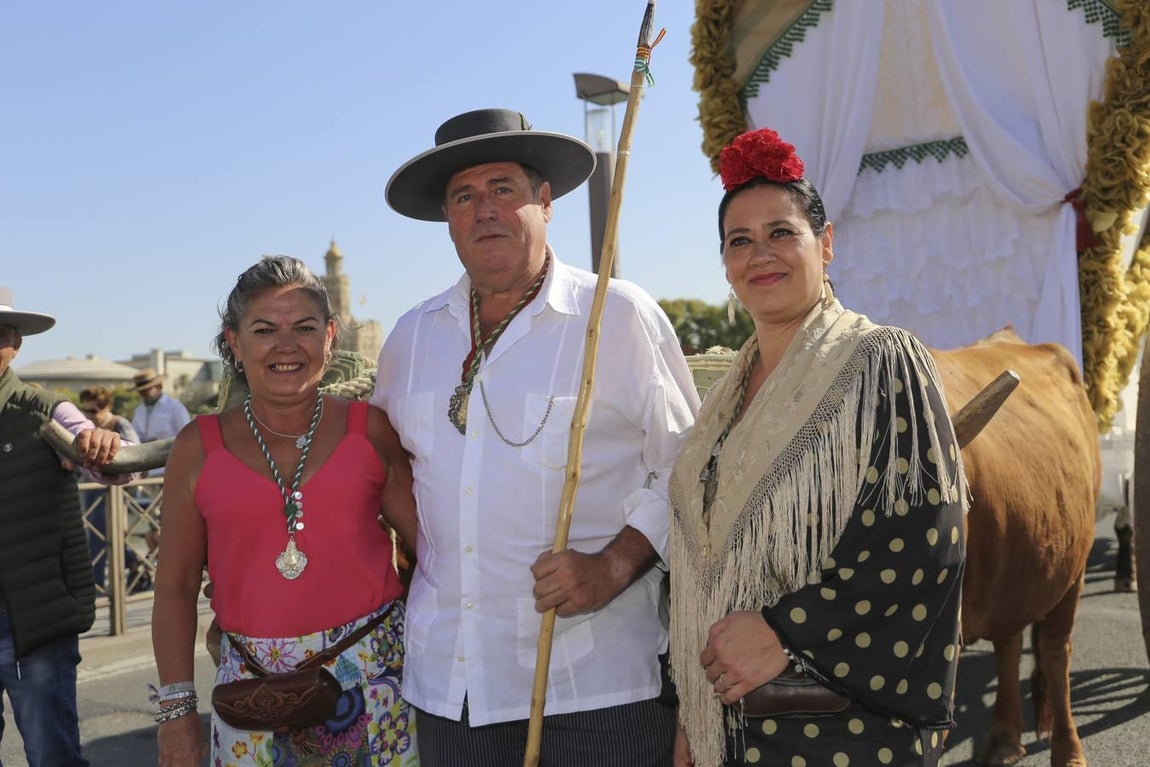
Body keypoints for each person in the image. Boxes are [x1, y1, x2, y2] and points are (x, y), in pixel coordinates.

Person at [372, 107, 700, 766]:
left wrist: (614, 564)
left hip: (593, 687)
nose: (483, 209)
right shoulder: (412, 335)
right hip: (452, 687)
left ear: (544, 201)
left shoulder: (617, 315)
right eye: (463, 196)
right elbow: (386, 466)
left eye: (503, 189)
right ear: (447, 217)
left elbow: (687, 469)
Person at [667, 128, 968, 767]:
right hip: (728, 730)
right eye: (738, 241)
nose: (760, 255)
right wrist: (693, 714)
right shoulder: (723, 397)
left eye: (782, 232)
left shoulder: (881, 361)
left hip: (835, 731)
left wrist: (784, 632)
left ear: (825, 244)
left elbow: (925, 543)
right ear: (724, 263)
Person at [151, 256, 419, 766]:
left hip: (378, 689)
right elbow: (174, 587)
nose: (286, 345)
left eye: (304, 328)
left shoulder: (373, 429)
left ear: (330, 336)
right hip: (249, 699)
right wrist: (177, 713)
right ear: (234, 341)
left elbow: (432, 551)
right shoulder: (197, 447)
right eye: (264, 329)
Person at [0, 287, 134, 767]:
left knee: (51, 753)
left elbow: (120, 469)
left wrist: (100, 443)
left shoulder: (45, 409)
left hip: (34, 620)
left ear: (14, 343)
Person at [78, 386, 147, 592]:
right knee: (97, 533)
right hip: (90, 486)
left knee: (105, 533)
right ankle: (131, 562)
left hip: (114, 488)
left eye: (94, 410)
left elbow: (135, 452)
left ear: (106, 406)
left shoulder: (120, 423)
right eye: (86, 410)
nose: (90, 415)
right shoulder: (87, 425)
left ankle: (98, 584)